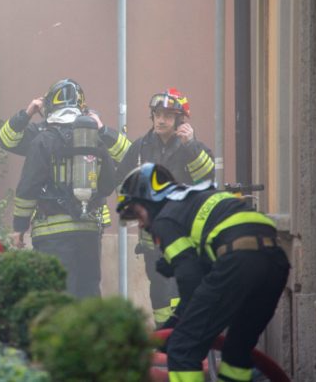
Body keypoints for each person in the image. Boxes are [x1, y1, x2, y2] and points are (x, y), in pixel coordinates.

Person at [116, 163, 289, 382]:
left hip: (238, 260)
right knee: (237, 352)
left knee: (182, 350)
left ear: (150, 201)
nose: (140, 225)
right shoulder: (195, 200)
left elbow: (191, 281)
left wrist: (175, 331)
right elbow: (203, 278)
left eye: (136, 213)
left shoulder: (165, 220)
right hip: (275, 262)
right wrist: (176, 323)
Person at [3, 79, 121, 298]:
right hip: (89, 232)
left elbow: (28, 188)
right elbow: (107, 184)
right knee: (88, 297)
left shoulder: (43, 140)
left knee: (57, 297)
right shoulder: (95, 140)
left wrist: (20, 227)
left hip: (51, 235)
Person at [110, 88, 216, 327]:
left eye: (168, 115)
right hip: (152, 237)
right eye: (157, 114)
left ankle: (181, 333)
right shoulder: (140, 147)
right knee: (158, 289)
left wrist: (190, 145)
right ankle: (164, 336)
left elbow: (207, 178)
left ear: (180, 120)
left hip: (184, 235)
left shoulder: (192, 148)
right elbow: (121, 180)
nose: (161, 119)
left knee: (181, 286)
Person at [0, 78, 130, 227]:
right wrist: (103, 130)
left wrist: (28, 113)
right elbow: (129, 157)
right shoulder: (91, 133)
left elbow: (5, 140)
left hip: (50, 224)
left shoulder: (42, 134)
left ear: (48, 105)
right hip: (89, 223)